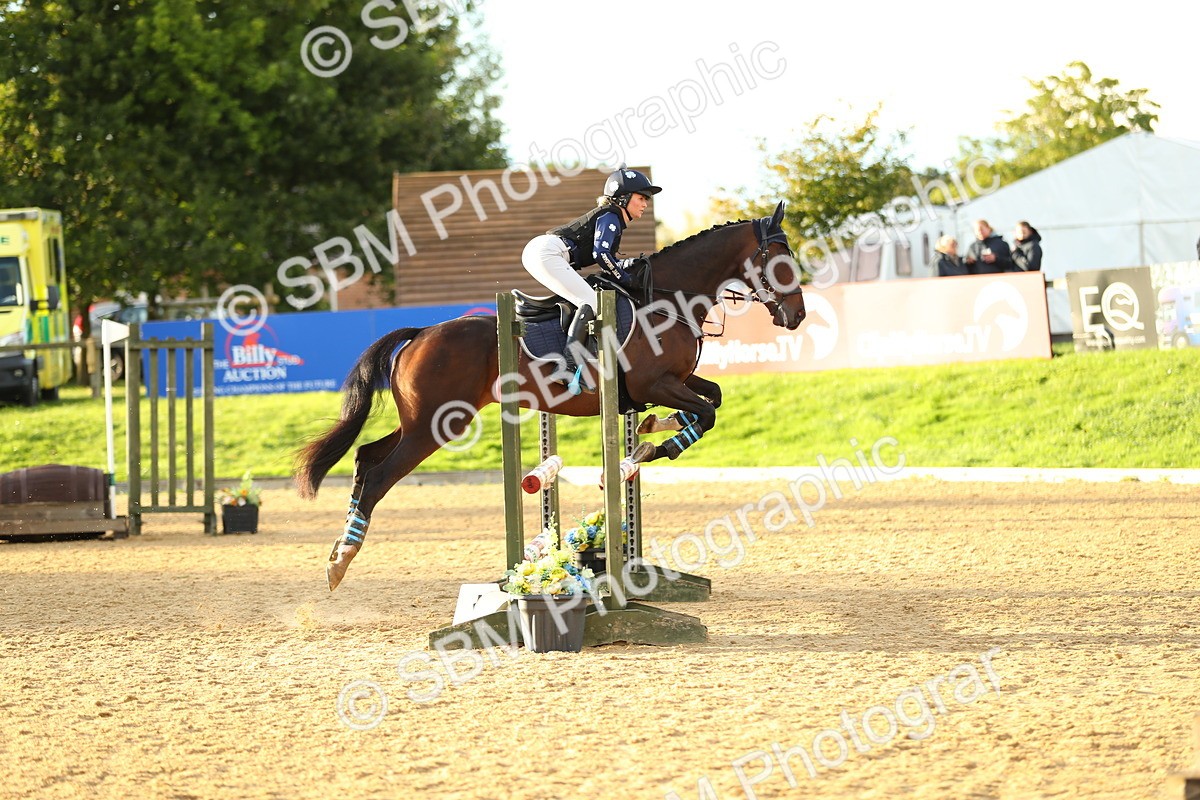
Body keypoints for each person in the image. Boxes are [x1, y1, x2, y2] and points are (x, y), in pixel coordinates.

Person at [521, 167, 660, 392]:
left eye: (647, 199)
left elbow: (608, 258)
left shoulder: (611, 217)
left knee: (585, 299)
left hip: (545, 252)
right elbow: (601, 255)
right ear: (623, 198)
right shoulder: (611, 215)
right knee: (591, 302)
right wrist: (625, 278)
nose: (645, 204)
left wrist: (630, 266)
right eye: (641, 198)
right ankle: (567, 366)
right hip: (548, 252)